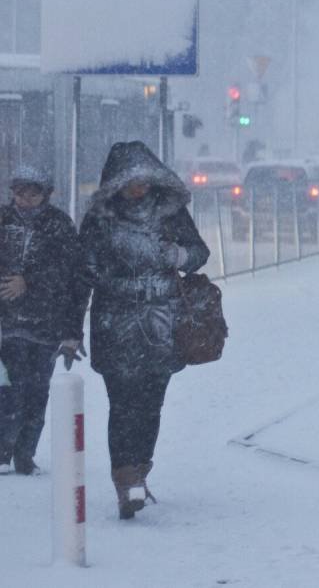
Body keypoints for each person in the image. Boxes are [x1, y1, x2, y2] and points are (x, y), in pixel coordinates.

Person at [80, 141, 209, 519]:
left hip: (160, 324)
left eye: (143, 181)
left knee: (151, 404)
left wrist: (179, 256)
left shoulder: (171, 214)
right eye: (131, 182)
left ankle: (139, 470)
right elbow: (83, 269)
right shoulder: (101, 219)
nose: (138, 188)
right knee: (122, 405)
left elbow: (199, 252)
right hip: (115, 324)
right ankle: (126, 482)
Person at [0, 166, 86, 476]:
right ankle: (2, 451)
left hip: (44, 326)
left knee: (37, 392)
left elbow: (71, 278)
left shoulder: (60, 226)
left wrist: (72, 331)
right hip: (5, 326)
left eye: (33, 192)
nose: (25, 198)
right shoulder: (2, 220)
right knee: (8, 390)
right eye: (20, 191)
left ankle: (25, 454)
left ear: (45, 196)